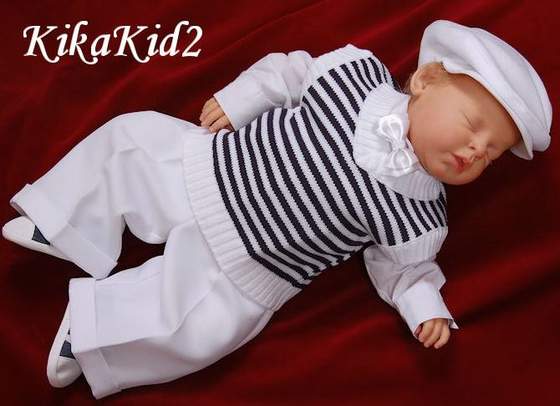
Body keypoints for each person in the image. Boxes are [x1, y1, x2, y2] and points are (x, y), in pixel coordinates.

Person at [1, 19, 552, 399]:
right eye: (473, 126)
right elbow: (289, 74)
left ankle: (90, 333)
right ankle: (65, 222)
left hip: (251, 267)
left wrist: (425, 308)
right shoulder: (357, 75)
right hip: (210, 168)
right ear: (426, 81)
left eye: (492, 153)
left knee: (196, 330)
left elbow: (405, 272)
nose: (477, 151)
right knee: (130, 139)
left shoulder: (422, 218)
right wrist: (240, 99)